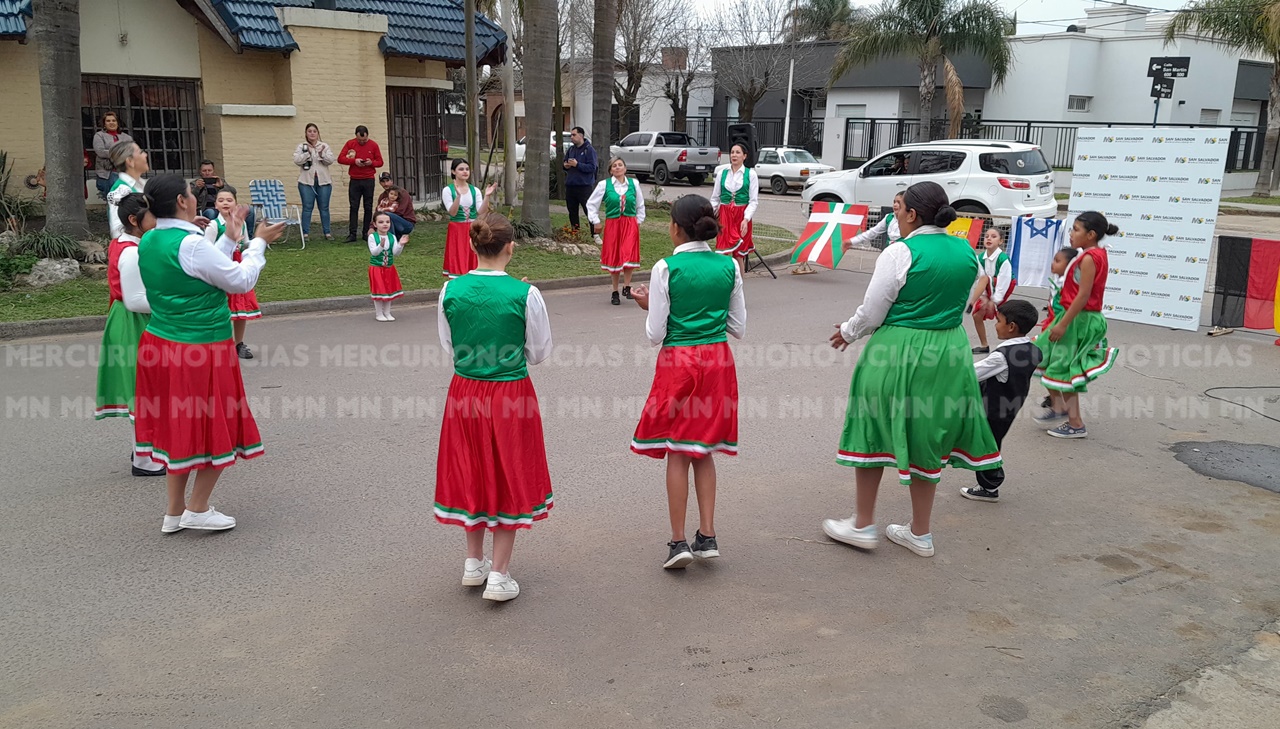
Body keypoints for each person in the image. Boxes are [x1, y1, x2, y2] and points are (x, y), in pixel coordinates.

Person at [821, 181, 1001, 559]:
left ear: (912, 213)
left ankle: (862, 524)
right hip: (949, 351)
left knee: (872, 426)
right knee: (929, 434)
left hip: (900, 349)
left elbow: (873, 312)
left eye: (897, 206)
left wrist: (848, 332)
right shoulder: (966, 250)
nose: (894, 213)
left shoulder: (900, 252)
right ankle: (920, 532)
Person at [133, 175, 284, 533]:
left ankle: (175, 511)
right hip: (201, 345)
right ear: (183, 202)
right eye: (190, 193)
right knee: (217, 423)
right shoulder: (190, 243)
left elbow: (200, 272)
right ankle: (197, 508)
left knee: (178, 425)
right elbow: (237, 280)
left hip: (161, 342)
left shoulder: (150, 239)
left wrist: (231, 238)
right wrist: (257, 244)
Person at [434, 212, 554, 602]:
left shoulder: (449, 291)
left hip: (465, 390)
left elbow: (449, 347)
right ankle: (499, 574)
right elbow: (538, 353)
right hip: (509, 392)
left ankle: (473, 562)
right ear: (511, 248)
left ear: (472, 245)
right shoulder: (526, 294)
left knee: (473, 468)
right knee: (508, 473)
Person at [630, 195, 746, 570]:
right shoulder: (730, 265)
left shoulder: (666, 267)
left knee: (678, 451)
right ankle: (708, 535)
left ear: (675, 228)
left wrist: (650, 306)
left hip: (679, 362)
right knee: (704, 450)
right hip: (716, 360)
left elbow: (655, 333)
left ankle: (678, 541)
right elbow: (738, 327)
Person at [95, 193, 165, 477]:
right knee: (144, 389)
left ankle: (142, 449)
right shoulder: (133, 252)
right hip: (135, 320)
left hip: (127, 318)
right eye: (153, 215)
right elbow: (136, 299)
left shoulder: (124, 242)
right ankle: (145, 459)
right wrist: (173, 298)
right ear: (135, 221)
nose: (158, 220)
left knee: (143, 387)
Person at [1032, 212, 1120, 439]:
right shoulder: (1093, 254)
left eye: (1076, 229)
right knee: (1041, 357)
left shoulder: (1089, 258)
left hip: (1077, 321)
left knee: (1064, 370)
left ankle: (1075, 423)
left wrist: (1062, 325)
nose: (1071, 234)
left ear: (1091, 235)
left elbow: (1082, 296)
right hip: (1075, 318)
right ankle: (1060, 407)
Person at [960, 300, 1042, 503]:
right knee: (993, 441)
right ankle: (989, 481)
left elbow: (971, 374)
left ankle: (989, 487)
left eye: (998, 321)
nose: (995, 325)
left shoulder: (1001, 357)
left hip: (993, 407)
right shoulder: (1033, 350)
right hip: (1012, 404)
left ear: (1011, 326)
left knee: (988, 444)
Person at [203, 187, 261, 359]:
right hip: (220, 269)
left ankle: (239, 343)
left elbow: (246, 243)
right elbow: (207, 250)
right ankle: (221, 343)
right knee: (222, 308)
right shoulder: (214, 225)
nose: (225, 203)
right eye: (221, 200)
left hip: (237, 267)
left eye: (229, 200)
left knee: (239, 307)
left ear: (235, 203)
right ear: (215, 205)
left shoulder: (241, 223)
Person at [586, 157, 645, 305]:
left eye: (620, 165)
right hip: (613, 224)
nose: (617, 168)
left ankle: (627, 286)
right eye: (614, 166)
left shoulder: (634, 184)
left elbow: (640, 205)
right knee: (615, 256)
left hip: (630, 223)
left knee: (629, 254)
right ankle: (615, 290)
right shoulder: (604, 185)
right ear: (611, 170)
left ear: (625, 168)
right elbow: (591, 204)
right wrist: (596, 221)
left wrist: (637, 221)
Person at [1036, 247, 1079, 410]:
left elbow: (1069, 308)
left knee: (1051, 366)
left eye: (1058, 261)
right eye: (1053, 259)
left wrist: (1060, 326)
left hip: (1061, 331)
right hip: (1051, 328)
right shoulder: (1057, 280)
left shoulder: (1069, 284)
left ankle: (1060, 404)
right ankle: (1056, 399)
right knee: (1044, 363)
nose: (1053, 264)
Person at [441, 159, 497, 279]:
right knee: (458, 255)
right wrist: (458, 196)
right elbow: (453, 212)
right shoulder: (448, 190)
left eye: (466, 169)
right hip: (457, 229)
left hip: (472, 228)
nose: (465, 172)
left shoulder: (474, 190)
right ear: (453, 171)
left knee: (474, 253)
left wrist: (487, 197)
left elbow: (481, 212)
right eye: (461, 169)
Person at [710, 143, 758, 271]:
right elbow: (715, 198)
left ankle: (739, 285)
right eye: (732, 152)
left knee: (738, 255)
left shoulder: (751, 174)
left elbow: (753, 201)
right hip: (724, 215)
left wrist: (746, 219)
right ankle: (723, 283)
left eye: (738, 152)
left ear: (744, 156)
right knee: (722, 252)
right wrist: (710, 214)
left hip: (741, 216)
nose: (734, 155)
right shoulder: (722, 173)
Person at [970, 227, 1016, 354]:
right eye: (986, 236)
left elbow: (1004, 281)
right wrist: (984, 296)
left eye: (993, 236)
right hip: (989, 286)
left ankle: (972, 301)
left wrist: (994, 300)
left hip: (1003, 287)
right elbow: (980, 279)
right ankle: (984, 345)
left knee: (1003, 316)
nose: (989, 238)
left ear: (1001, 241)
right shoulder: (980, 258)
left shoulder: (1003, 259)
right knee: (976, 315)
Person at [339, 125, 384, 242]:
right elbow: (340, 158)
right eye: (360, 140)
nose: (362, 142)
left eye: (364, 140)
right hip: (355, 179)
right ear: (356, 136)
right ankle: (352, 233)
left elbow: (380, 162)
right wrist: (354, 161)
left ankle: (366, 232)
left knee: (368, 207)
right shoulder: (350, 144)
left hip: (368, 179)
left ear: (368, 136)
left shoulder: (373, 145)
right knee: (354, 206)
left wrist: (371, 163)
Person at [294, 122, 336, 240]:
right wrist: (307, 153)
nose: (312, 133)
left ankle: (327, 232)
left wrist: (321, 153)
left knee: (324, 207)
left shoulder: (324, 146)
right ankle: (305, 233)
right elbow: (297, 160)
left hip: (324, 181)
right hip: (306, 182)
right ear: (306, 134)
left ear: (318, 133)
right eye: (309, 131)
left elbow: (330, 160)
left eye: (314, 131)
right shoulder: (302, 146)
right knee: (307, 207)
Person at [106, 141, 149, 239]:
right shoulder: (120, 191)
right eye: (140, 152)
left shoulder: (143, 184)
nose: (145, 155)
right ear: (130, 161)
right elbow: (117, 231)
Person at [368, 211, 405, 322]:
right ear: (375, 224)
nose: (385, 224)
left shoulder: (392, 237)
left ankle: (387, 312)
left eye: (387, 222)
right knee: (379, 290)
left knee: (389, 289)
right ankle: (379, 313)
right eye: (381, 222)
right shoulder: (372, 237)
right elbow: (374, 252)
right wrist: (381, 246)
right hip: (376, 268)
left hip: (389, 268)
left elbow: (395, 253)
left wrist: (400, 245)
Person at [563, 126, 599, 237]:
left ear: (581, 136)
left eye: (574, 135)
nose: (571, 137)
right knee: (572, 211)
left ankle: (595, 234)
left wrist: (578, 165)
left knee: (589, 210)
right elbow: (565, 163)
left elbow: (592, 167)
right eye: (571, 135)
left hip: (584, 186)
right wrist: (566, 166)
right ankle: (575, 232)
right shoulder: (571, 149)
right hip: (571, 185)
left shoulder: (589, 150)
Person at [92, 111, 133, 200]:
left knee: (125, 201)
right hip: (107, 173)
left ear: (117, 123)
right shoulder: (99, 135)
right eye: (108, 121)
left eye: (114, 120)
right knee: (112, 201)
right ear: (104, 124)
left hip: (124, 172)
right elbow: (100, 152)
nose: (111, 123)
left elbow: (131, 152)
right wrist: (120, 153)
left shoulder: (127, 138)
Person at [376, 173, 417, 239]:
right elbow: (376, 213)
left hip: (406, 224)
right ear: (380, 183)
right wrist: (371, 227)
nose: (385, 184)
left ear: (392, 181)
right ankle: (391, 238)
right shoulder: (382, 196)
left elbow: (400, 211)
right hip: (391, 221)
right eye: (383, 182)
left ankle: (390, 240)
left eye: (387, 181)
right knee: (384, 217)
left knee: (386, 216)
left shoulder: (402, 193)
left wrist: (383, 213)